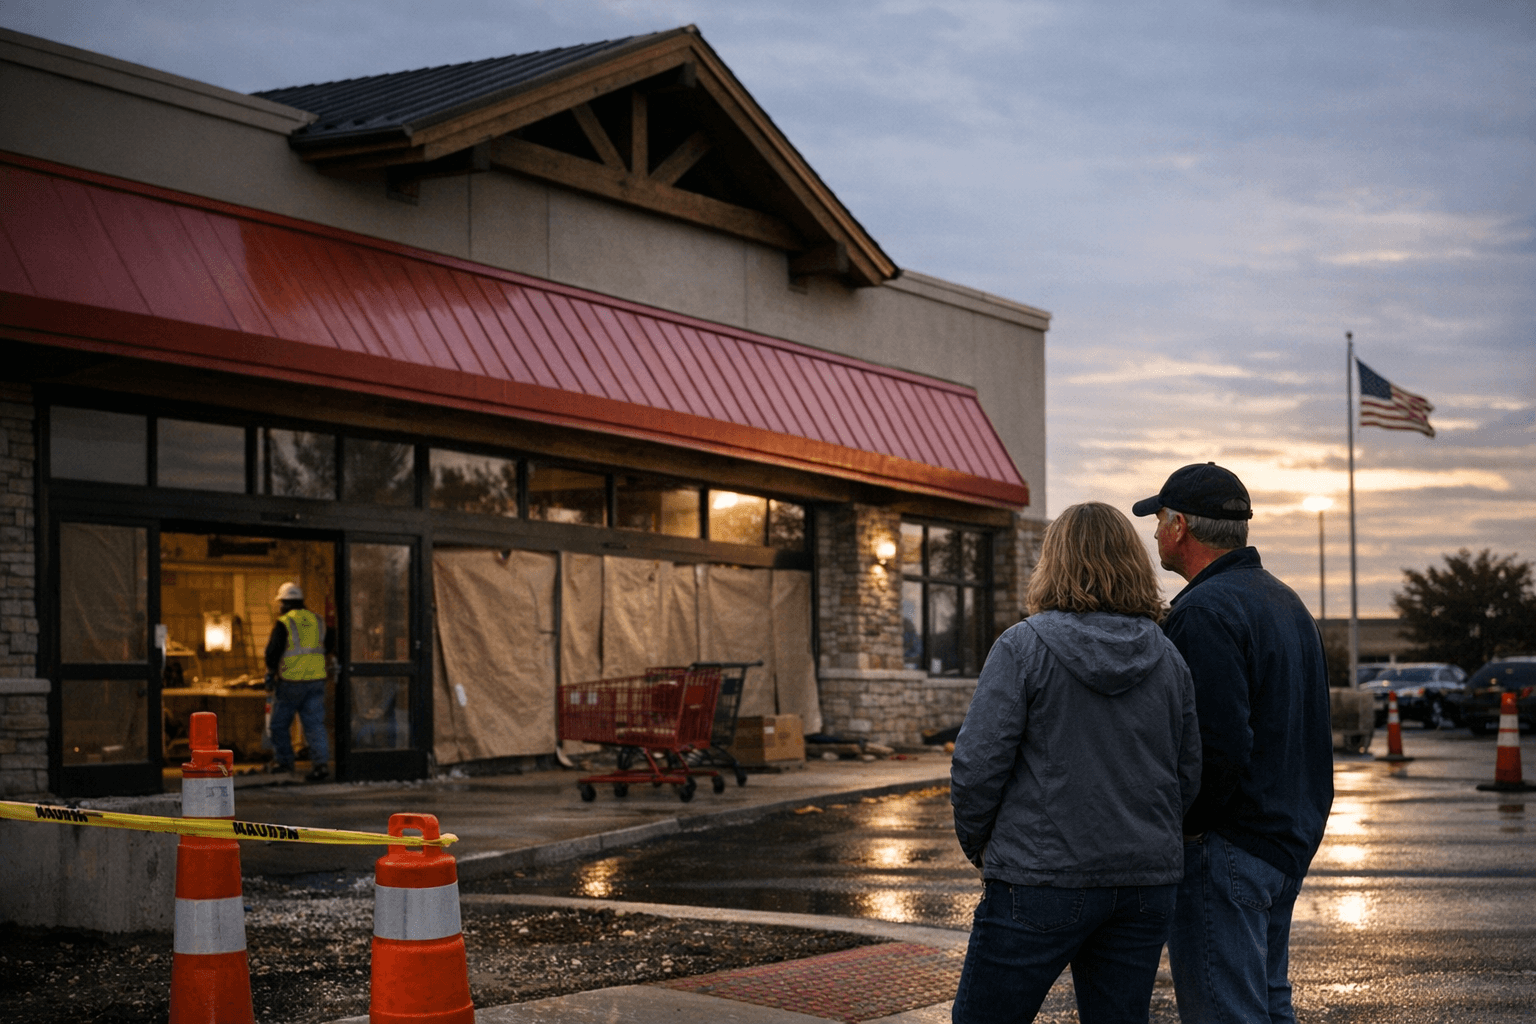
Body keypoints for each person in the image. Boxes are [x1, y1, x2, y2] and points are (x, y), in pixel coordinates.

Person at [951, 502, 1200, 1024]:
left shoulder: (1023, 648)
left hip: (1039, 877)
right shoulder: (1168, 657)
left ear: (1054, 562)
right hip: (1143, 882)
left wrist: (984, 847)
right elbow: (1186, 773)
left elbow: (977, 766)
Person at [1132, 463, 1333, 1023]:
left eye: (1158, 521)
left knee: (1226, 1011)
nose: (1154, 535)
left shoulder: (1203, 613)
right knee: (1266, 1002)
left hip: (1227, 850)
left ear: (1179, 527)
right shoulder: (1287, 603)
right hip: (1285, 839)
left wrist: (1190, 827)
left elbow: (1211, 745)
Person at [265, 581, 333, 782]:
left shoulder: (284, 622)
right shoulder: (318, 620)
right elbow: (328, 645)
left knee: (278, 724)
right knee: (314, 725)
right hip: (316, 681)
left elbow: (272, 652)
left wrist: (270, 673)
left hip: (291, 682)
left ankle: (285, 763)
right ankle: (321, 766)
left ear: (284, 603)